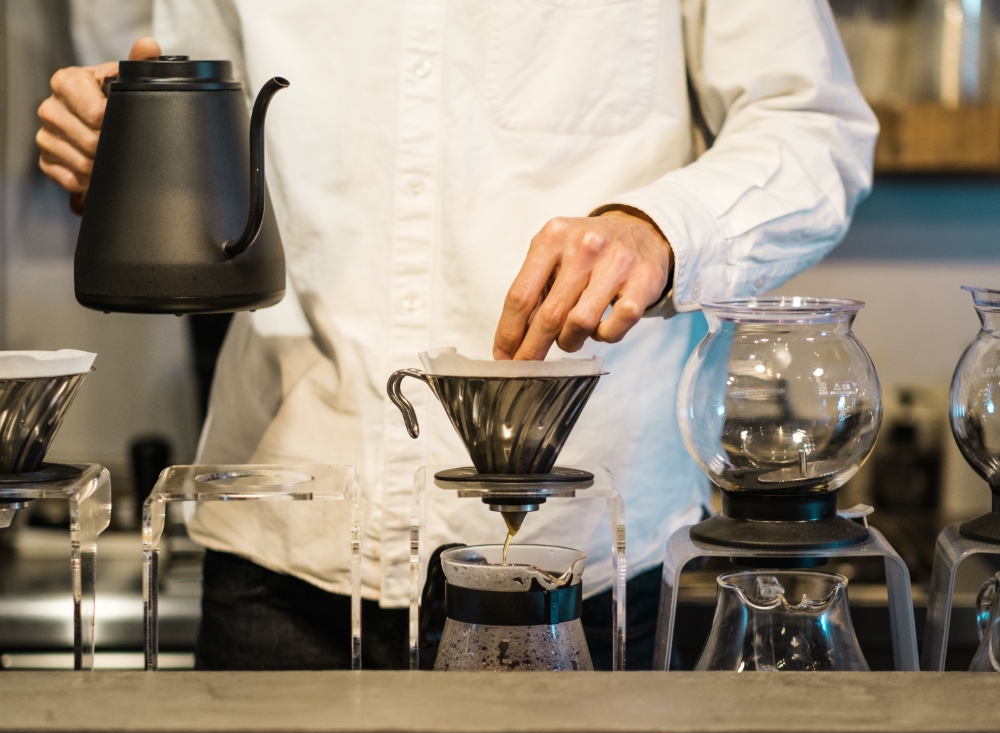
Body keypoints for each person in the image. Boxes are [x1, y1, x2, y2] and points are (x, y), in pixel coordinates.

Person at [38, 1, 876, 669]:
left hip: (596, 571)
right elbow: (199, 133)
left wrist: (658, 230)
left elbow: (814, 128)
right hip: (284, 555)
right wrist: (123, 153)